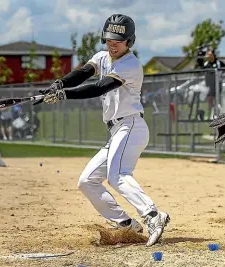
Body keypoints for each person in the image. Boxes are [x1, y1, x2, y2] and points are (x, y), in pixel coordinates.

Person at [35, 14, 170, 247]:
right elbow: (83, 73)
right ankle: (126, 224)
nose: (112, 43)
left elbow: (100, 87)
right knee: (87, 181)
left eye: (118, 39)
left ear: (129, 41)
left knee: (117, 176)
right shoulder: (101, 56)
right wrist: (60, 84)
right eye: (109, 39)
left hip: (130, 126)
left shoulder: (130, 64)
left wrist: (65, 94)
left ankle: (153, 216)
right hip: (117, 130)